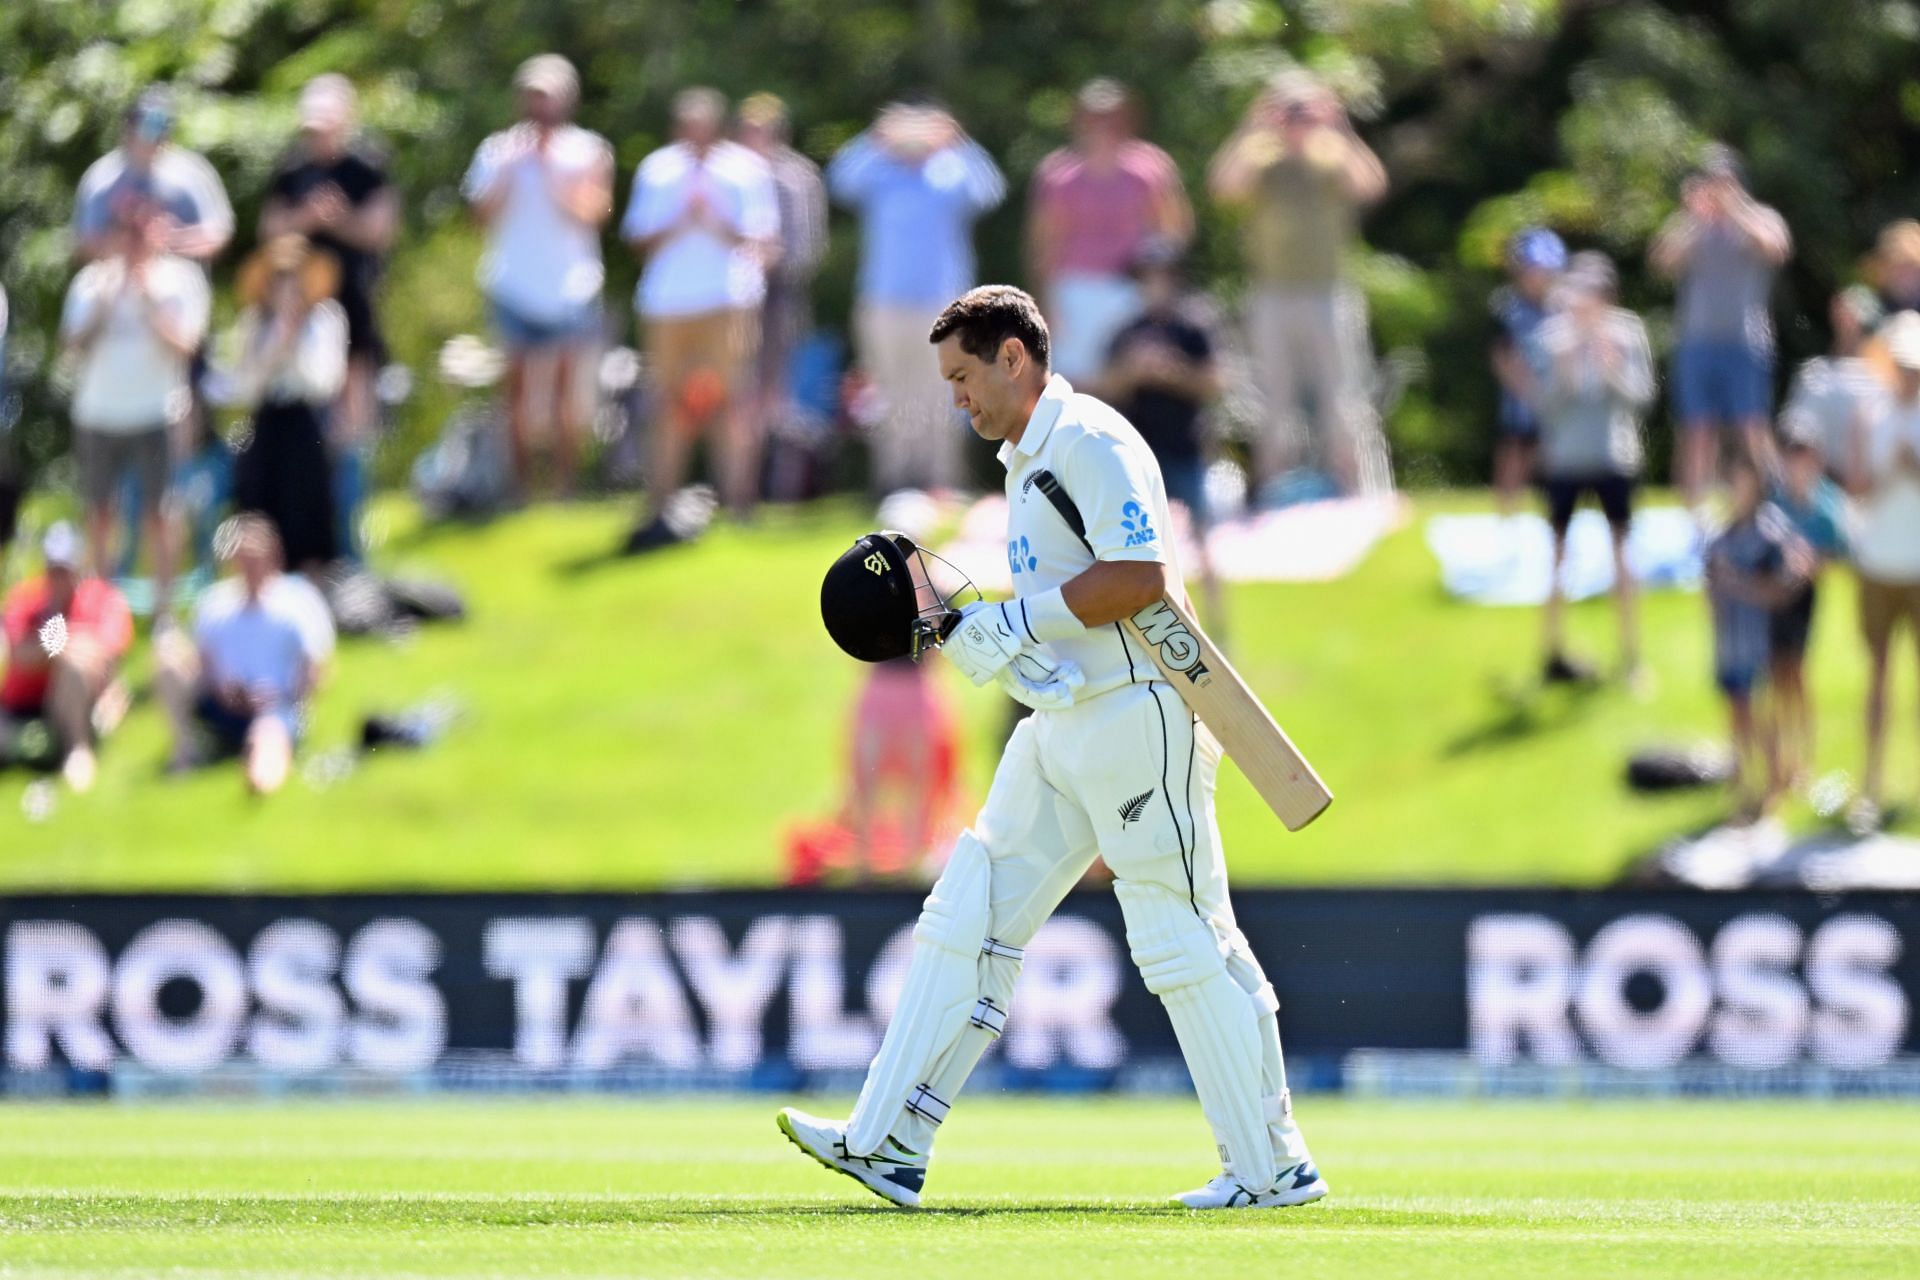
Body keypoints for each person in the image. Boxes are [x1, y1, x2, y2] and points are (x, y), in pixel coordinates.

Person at [779, 286, 1324, 1212]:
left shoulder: (1091, 440)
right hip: (1067, 727)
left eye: (963, 376)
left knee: (1181, 937)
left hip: (1143, 720)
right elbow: (1081, 610)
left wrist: (1018, 620)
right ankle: (888, 1141)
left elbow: (1142, 576)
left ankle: (1272, 1167)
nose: (957, 396)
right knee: (969, 910)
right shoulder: (1023, 460)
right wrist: (1022, 657)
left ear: (1013, 359)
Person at [1207, 69, 1388, 496]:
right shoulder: (1260, 159)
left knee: (1343, 401)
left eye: (1304, 108)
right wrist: (1253, 125)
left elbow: (1371, 185)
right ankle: (1274, 494)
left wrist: (1338, 126)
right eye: (1288, 109)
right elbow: (1223, 187)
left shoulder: (1331, 157)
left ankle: (1355, 492)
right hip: (1271, 295)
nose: (1295, 118)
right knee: (1271, 403)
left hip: (1327, 294)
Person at [620, 88, 779, 547]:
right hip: (666, 303)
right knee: (668, 403)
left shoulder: (744, 170)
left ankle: (739, 502)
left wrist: (715, 215)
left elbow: (761, 242)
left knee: (731, 402)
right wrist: (679, 216)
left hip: (726, 300)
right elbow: (637, 239)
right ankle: (660, 503)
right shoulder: (659, 168)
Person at [828, 102, 1006, 495]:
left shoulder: (950, 172)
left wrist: (956, 138)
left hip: (942, 304)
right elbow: (840, 179)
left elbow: (991, 190)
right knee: (889, 390)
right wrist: (876, 136)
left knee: (943, 391)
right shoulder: (879, 174)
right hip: (883, 302)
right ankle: (893, 480)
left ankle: (940, 480)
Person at [462, 54, 614, 499]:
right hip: (512, 284)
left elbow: (594, 213)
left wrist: (551, 172)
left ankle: (566, 488)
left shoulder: (587, 150)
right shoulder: (497, 150)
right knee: (516, 398)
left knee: (569, 396)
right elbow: (479, 215)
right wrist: (512, 169)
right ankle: (520, 491)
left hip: (573, 285)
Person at [261, 75, 399, 560]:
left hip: (353, 314)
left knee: (350, 433)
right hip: (301, 319)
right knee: (305, 436)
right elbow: (271, 231)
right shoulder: (292, 172)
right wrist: (307, 219)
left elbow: (381, 231)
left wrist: (338, 220)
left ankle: (353, 544)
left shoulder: (367, 168)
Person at [59, 196, 210, 617]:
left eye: (142, 230)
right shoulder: (91, 282)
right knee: (101, 514)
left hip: (155, 412)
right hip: (98, 413)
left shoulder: (181, 281)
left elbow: (187, 346)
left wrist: (147, 301)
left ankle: (164, 614)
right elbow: (71, 345)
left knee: (160, 515)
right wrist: (104, 308)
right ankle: (100, 611)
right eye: (126, 230)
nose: (133, 240)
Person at [1529, 252, 1653, 686]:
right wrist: (1565, 373)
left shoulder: (1627, 333)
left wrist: (1612, 365)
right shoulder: (1552, 339)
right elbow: (1545, 407)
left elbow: (1641, 399)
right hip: (1566, 460)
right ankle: (1551, 653)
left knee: (1622, 554)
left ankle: (1631, 656)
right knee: (1557, 555)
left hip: (1613, 458)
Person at [1650, 144, 1792, 510]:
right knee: (1696, 431)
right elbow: (1662, 263)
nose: (1718, 189)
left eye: (1725, 182)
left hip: (1746, 340)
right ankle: (1694, 519)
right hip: (1697, 341)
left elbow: (1776, 249)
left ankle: (1773, 507)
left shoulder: (1759, 217)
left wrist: (1734, 210)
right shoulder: (1691, 223)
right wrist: (1694, 216)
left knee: (1752, 427)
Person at [155, 515, 335, 794]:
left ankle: (261, 779)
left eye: (255, 557)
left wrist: (279, 695)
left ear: (272, 556)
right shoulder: (215, 603)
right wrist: (223, 688)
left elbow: (315, 670)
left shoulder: (298, 601)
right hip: (221, 703)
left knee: (268, 734)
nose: (249, 566)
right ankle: (185, 751)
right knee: (167, 653)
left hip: (275, 705)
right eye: (242, 558)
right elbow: (201, 662)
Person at [1027, 78, 1191, 383]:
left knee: (1134, 380)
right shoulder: (1060, 173)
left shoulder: (1148, 168)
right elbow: (1045, 245)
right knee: (1076, 380)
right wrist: (1046, 305)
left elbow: (1174, 230)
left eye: (1111, 116)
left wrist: (1162, 287)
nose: (1102, 125)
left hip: (1133, 288)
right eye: (1093, 116)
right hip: (1076, 289)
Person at [1099, 237, 1223, 626]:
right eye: (1147, 278)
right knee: (1139, 548)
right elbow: (1105, 390)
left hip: (1185, 448)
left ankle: (1217, 623)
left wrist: (1173, 372)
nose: (1154, 286)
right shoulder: (1126, 332)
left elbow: (1215, 382)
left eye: (1161, 277)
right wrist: (1133, 372)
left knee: (1204, 543)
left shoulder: (1193, 329)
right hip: (1139, 454)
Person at [229, 236, 349, 574]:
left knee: (308, 506)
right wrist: (276, 343)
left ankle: (312, 579)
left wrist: (294, 344)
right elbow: (247, 384)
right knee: (261, 502)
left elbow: (325, 381)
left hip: (307, 422)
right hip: (266, 422)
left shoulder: (326, 320)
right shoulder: (255, 324)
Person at [1844, 311, 1920, 830]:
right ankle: (1870, 785)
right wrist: (1878, 476)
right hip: (1877, 563)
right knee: (1877, 677)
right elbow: (1853, 486)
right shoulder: (1869, 414)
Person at [1706, 454, 1808, 819]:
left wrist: (1741, 585)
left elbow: (1785, 588)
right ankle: (1744, 780)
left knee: (1762, 713)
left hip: (1762, 640)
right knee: (1737, 712)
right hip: (1730, 640)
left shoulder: (1770, 534)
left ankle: (1773, 783)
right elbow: (1712, 588)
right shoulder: (1719, 536)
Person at [0, 523, 133, 793]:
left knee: (75, 666)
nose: (58, 577)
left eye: (64, 569)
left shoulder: (101, 597)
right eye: (53, 568)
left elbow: (104, 653)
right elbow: (20, 655)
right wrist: (63, 645)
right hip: (20, 701)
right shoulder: (25, 599)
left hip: (72, 696)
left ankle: (78, 750)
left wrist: (58, 648)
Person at [737, 93, 829, 479]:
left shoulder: (798, 176)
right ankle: (741, 479)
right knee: (740, 391)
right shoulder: (731, 171)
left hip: (780, 295)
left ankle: (778, 484)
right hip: (735, 297)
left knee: (781, 393)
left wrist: (772, 262)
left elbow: (808, 245)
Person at [1767, 416, 1848, 793]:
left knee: (1796, 675)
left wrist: (1811, 562)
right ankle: (1777, 758)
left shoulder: (1827, 503)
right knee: (1773, 676)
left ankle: (1803, 756)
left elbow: (1838, 552)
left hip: (1802, 599)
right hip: (1771, 596)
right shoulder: (1773, 498)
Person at [72, 87, 234, 267]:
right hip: (115, 288)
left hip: (181, 287)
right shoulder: (101, 177)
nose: (152, 140)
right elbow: (84, 244)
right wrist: (131, 238)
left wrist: (170, 239)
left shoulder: (193, 173)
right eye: (143, 127)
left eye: (160, 128)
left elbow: (218, 234)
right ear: (126, 130)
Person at [1489, 228, 1567, 515]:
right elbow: (1502, 358)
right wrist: (1530, 392)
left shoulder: (1565, 308)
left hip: (1559, 400)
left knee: (1556, 463)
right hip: (1520, 402)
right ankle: (1507, 518)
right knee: (1514, 456)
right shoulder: (1507, 308)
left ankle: (1555, 520)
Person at [1783, 286, 1888, 480]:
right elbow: (1798, 434)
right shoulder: (1815, 374)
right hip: (1822, 483)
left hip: (1876, 484)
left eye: (1854, 318)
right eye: (1843, 316)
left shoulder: (1885, 380)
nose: (1848, 324)